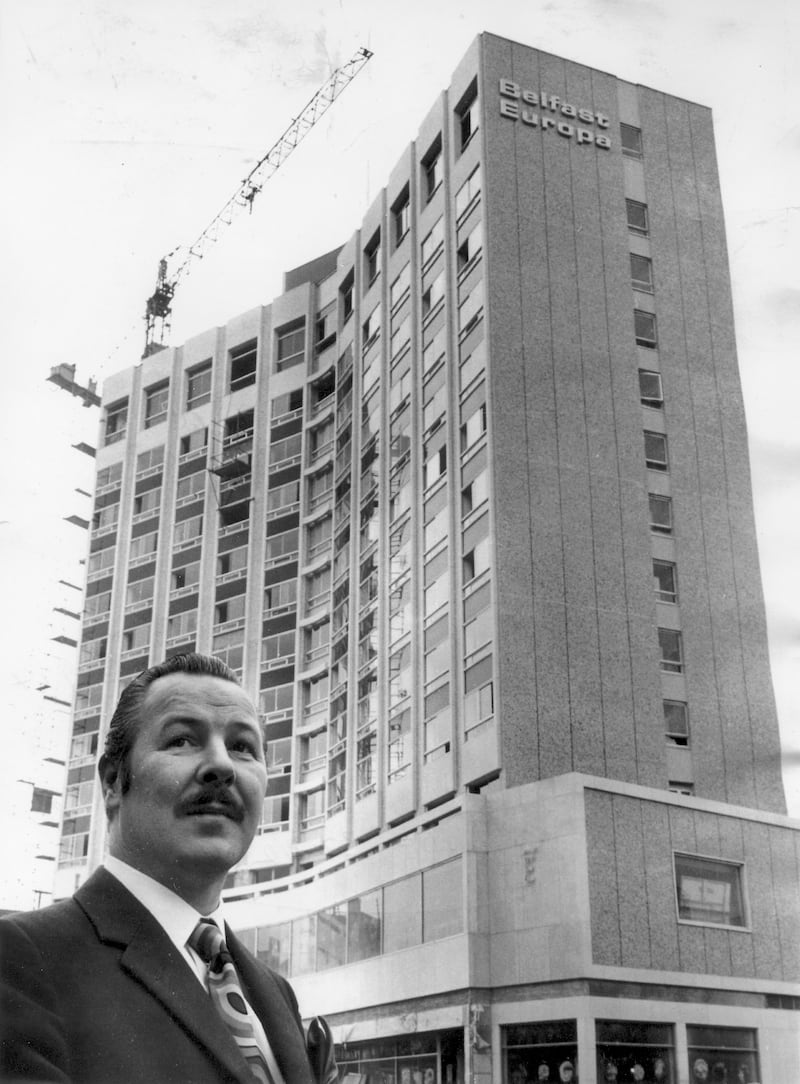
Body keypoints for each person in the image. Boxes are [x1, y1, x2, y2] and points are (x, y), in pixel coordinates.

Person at [0, 653, 334, 1083]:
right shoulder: (21, 960)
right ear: (113, 782)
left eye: (242, 747)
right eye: (181, 740)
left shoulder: (278, 993)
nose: (222, 765)